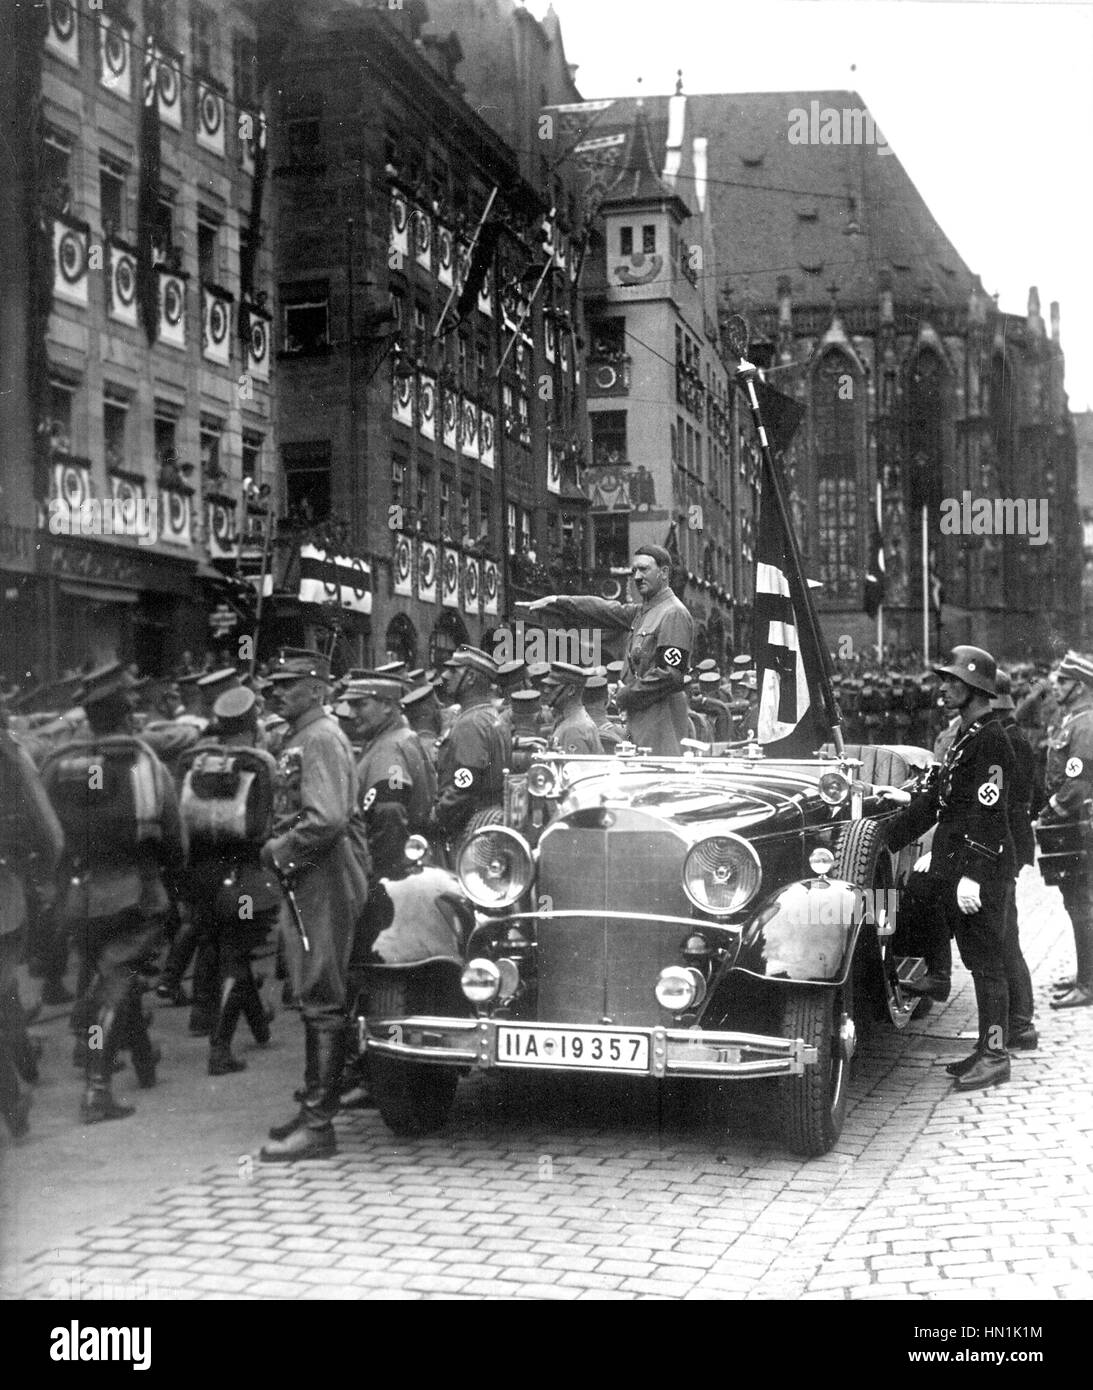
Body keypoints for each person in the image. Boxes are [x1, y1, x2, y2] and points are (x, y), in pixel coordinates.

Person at [39, 663, 187, 1123]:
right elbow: (174, 837)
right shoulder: (144, 760)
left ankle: (141, 1061)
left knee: (112, 974)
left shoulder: (60, 762)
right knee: (114, 986)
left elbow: (48, 833)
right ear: (127, 713)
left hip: (79, 899)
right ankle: (97, 1088)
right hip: (133, 893)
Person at [881, 646, 1016, 1092]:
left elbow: (989, 812)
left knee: (987, 965)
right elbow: (934, 802)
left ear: (975, 688)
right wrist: (885, 839)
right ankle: (984, 1047)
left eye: (952, 681)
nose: (943, 688)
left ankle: (995, 1053)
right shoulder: (966, 736)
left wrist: (973, 874)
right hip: (957, 865)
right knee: (979, 962)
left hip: (981, 868)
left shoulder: (992, 740)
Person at [258, 651, 371, 1162]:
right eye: (275, 683)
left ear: (317, 688)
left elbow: (325, 818)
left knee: (322, 992)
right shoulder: (304, 735)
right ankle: (313, 1108)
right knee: (312, 990)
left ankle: (319, 1126)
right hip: (310, 877)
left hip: (321, 877)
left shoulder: (321, 737)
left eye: (288, 684)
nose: (275, 692)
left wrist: (279, 851)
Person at [177, 686, 280, 1076]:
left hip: (202, 878)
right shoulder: (260, 762)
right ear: (253, 724)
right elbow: (269, 822)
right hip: (245, 879)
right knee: (237, 958)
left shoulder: (192, 760)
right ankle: (219, 1048)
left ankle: (259, 1027)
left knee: (226, 949)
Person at [524, 545, 694, 755]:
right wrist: (559, 602)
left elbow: (670, 674)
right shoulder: (646, 612)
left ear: (664, 572)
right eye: (634, 571)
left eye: (644, 569)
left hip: (661, 725)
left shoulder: (673, 614)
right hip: (642, 720)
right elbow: (607, 609)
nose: (637, 577)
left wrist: (623, 695)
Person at [0, 723, 65, 1136]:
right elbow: (49, 831)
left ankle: (21, 1063)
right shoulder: (8, 753)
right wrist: (44, 875)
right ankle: (12, 1094)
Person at [1039, 650, 1093, 1009]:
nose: (1054, 686)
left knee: (1081, 903)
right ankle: (1086, 976)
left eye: (1061, 681)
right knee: (1077, 902)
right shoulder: (1074, 718)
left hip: (1080, 825)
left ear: (1079, 686)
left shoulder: (1085, 724)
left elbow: (1078, 785)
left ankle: (1088, 985)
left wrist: (1048, 813)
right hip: (1074, 824)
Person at [990, 669, 1037, 1048]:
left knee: (1006, 935)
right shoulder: (1011, 733)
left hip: (1007, 839)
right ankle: (1016, 1020)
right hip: (1012, 837)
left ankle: (1021, 1022)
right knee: (1006, 932)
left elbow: (1020, 797)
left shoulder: (1007, 737)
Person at [429, 647, 511, 846]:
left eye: (454, 671)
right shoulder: (491, 716)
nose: (445, 676)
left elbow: (464, 786)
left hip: (468, 828)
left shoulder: (471, 723)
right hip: (489, 820)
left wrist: (434, 818)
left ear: (471, 678)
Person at [544, 663, 603, 755]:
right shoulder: (568, 720)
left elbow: (575, 768)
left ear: (571, 690)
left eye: (552, 687)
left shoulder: (574, 729)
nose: (546, 690)